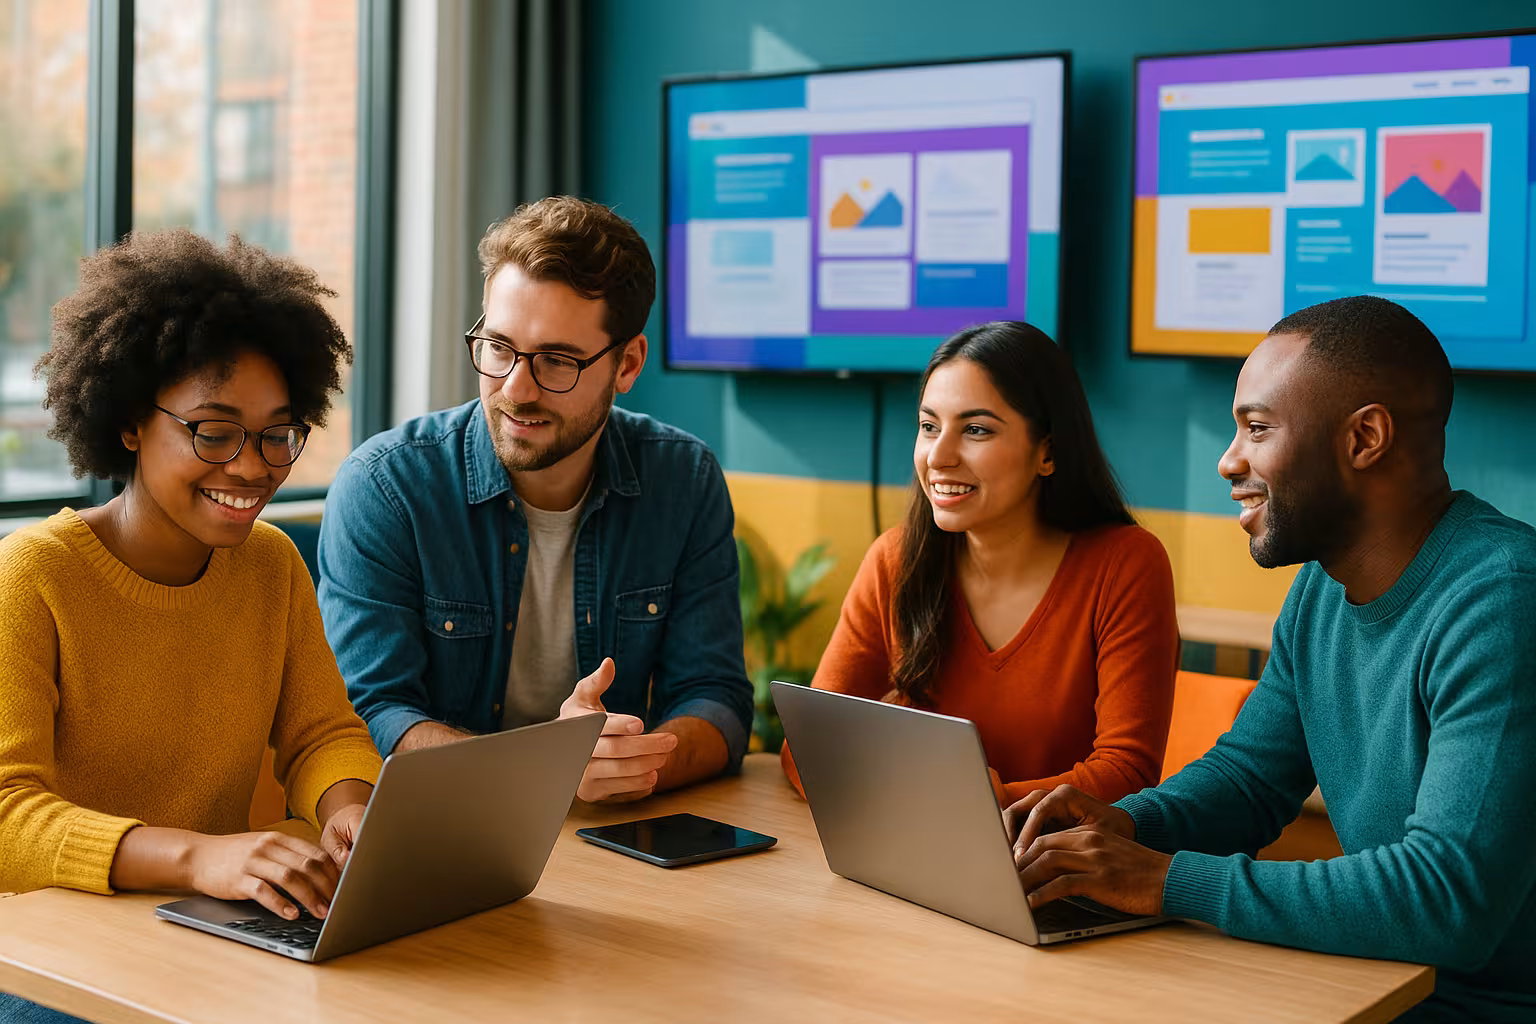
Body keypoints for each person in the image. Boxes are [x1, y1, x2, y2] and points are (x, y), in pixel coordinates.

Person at [1008, 296, 1536, 1021]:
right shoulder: (1323, 585)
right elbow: (1249, 780)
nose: (1230, 461)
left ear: (1365, 438)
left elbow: (1447, 899)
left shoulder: (1503, 601)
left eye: (1257, 429)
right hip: (1370, 988)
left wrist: (1164, 880)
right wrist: (1119, 828)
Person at [0, 231, 383, 1020]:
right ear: (132, 422)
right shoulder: (34, 575)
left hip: (206, 937)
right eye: (214, 430)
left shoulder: (271, 565)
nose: (252, 466)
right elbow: (7, 816)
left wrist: (349, 813)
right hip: (48, 962)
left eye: (278, 432)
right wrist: (199, 858)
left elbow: (321, 734)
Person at [318, 196, 752, 803]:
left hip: (610, 837)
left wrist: (635, 763)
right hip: (444, 827)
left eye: (556, 360)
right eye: (498, 347)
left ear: (627, 364)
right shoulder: (387, 487)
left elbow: (715, 698)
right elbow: (369, 712)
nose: (515, 390)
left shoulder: (685, 480)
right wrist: (542, 773)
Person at [782, 322, 1178, 806]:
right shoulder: (894, 560)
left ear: (1048, 452)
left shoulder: (1126, 564)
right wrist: (942, 804)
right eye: (929, 427)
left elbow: (1127, 771)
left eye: (975, 430)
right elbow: (808, 746)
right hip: (910, 855)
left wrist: (976, 804)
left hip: (1055, 864)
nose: (939, 456)